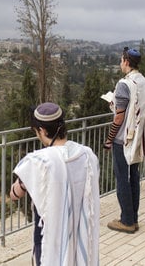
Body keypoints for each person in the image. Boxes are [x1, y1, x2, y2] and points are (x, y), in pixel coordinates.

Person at [10, 102, 100, 266]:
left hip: (51, 233)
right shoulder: (86, 154)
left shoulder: (39, 161)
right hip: (81, 229)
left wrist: (23, 184)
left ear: (42, 131)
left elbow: (14, 194)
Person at [104, 47, 145, 234]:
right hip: (138, 138)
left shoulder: (124, 84)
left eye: (121, 60)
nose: (120, 63)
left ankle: (126, 221)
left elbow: (119, 117)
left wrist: (109, 140)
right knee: (134, 177)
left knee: (122, 180)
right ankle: (133, 218)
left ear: (126, 61)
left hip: (122, 139)